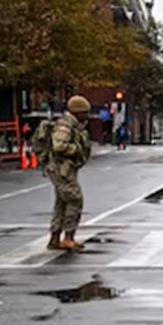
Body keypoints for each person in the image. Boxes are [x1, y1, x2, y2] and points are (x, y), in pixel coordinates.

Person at [47, 95, 92, 251]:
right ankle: (68, 237)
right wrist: (76, 150)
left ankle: (55, 238)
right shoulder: (65, 125)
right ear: (77, 112)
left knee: (61, 203)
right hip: (62, 169)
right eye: (85, 112)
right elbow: (59, 146)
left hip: (63, 169)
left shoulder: (72, 124)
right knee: (74, 199)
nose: (87, 116)